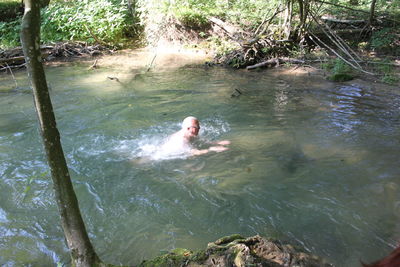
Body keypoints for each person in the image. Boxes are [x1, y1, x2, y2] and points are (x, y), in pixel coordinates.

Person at [162, 116, 230, 156]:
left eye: (199, 126)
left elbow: (199, 140)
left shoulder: (189, 132)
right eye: (197, 127)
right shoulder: (181, 140)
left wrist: (216, 143)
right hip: (166, 155)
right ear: (188, 128)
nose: (199, 128)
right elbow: (194, 152)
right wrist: (212, 149)